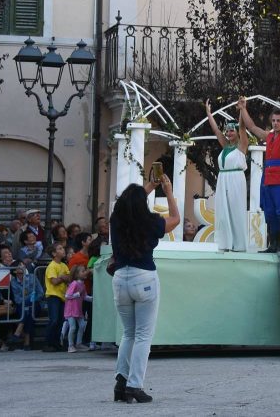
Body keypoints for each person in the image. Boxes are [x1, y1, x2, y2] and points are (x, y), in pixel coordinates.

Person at [111, 172, 180, 403]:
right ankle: (134, 385)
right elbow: (175, 219)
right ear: (143, 203)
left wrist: (149, 185)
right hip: (144, 277)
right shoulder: (150, 222)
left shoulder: (116, 220)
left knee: (128, 334)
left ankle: (121, 381)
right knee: (143, 336)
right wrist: (168, 192)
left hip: (120, 277)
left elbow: (128, 203)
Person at [239, 96, 280, 253]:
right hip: (267, 178)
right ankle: (273, 244)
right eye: (274, 120)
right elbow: (251, 126)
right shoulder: (269, 135)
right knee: (269, 212)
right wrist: (243, 108)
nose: (276, 123)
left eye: (279, 120)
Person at [204, 99, 250, 252]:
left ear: (237, 132)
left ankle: (239, 244)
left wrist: (241, 112)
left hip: (236, 179)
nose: (228, 133)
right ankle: (226, 243)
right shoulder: (225, 145)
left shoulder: (242, 146)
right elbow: (216, 130)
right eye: (228, 131)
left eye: (232, 130)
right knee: (223, 211)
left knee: (236, 209)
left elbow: (243, 128)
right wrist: (209, 114)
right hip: (223, 179)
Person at [8, 264, 43, 350]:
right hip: (22, 305)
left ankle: (19, 328)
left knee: (30, 308)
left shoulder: (32, 277)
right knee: (28, 310)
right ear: (15, 272)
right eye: (19, 273)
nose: (20, 274)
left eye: (22, 272)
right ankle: (27, 343)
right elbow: (17, 299)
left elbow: (40, 293)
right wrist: (28, 300)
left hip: (35, 303)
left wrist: (31, 299)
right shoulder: (13, 282)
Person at [43, 243, 70, 352]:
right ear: (54, 253)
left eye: (62, 248)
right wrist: (63, 277)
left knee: (60, 320)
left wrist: (63, 278)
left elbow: (69, 278)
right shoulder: (52, 265)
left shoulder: (64, 265)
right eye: (60, 248)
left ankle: (56, 343)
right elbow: (54, 281)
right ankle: (48, 342)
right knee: (53, 320)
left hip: (62, 296)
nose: (63, 250)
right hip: (53, 295)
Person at [64, 264, 91, 352]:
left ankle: (79, 343)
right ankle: (70, 345)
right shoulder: (74, 284)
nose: (85, 272)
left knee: (82, 325)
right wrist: (77, 294)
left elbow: (85, 297)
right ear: (77, 274)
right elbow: (67, 295)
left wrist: (94, 299)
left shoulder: (82, 285)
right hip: (71, 310)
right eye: (83, 271)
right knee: (73, 327)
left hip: (78, 310)